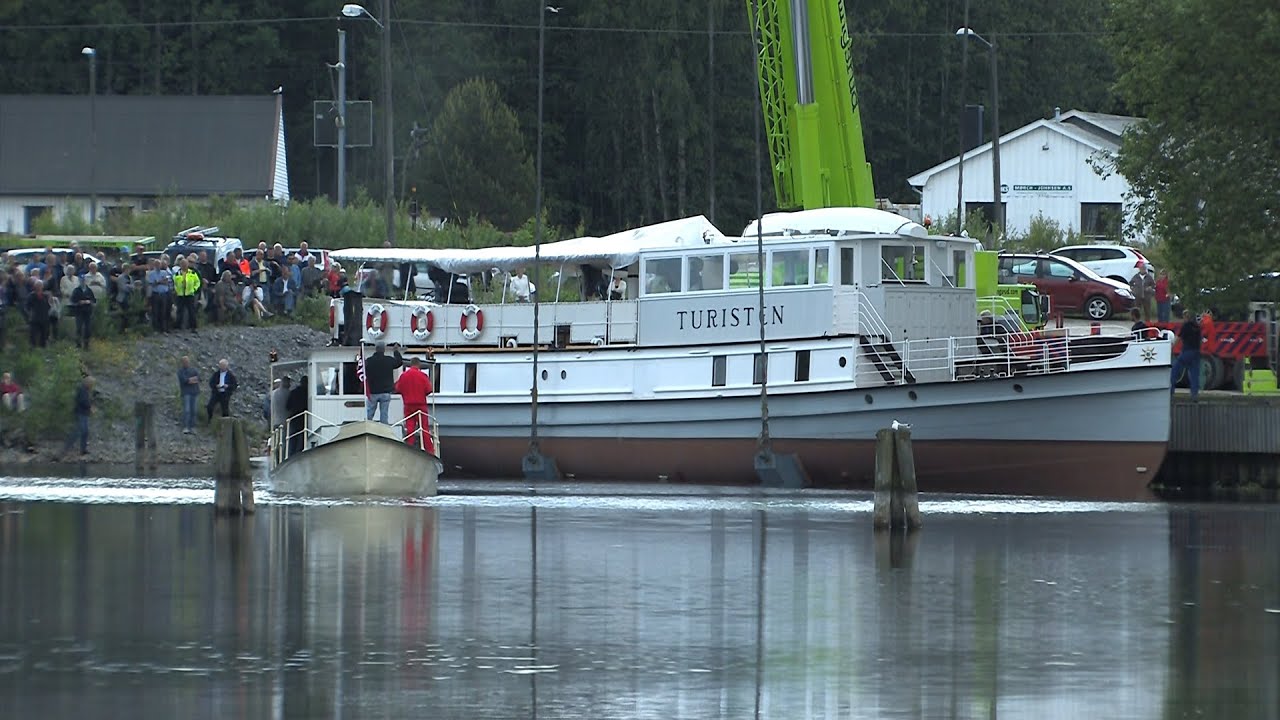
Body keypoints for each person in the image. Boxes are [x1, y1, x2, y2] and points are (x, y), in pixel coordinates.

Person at [394, 356, 434, 451]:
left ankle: (410, 448)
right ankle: (429, 449)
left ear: (410, 364)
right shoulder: (423, 376)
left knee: (410, 427)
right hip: (421, 405)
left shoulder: (404, 376)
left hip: (408, 405)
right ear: (418, 364)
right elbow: (429, 390)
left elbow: (398, 389)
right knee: (424, 428)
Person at [363, 342, 403, 424]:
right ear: (384, 350)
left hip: (372, 391)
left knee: (369, 414)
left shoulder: (369, 361)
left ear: (376, 349)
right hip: (385, 391)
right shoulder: (389, 360)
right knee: (384, 414)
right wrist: (395, 351)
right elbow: (399, 362)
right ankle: (384, 430)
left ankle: (367, 428)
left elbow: (363, 370)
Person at [1170, 310, 1202, 400]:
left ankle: (1170, 392)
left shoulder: (1186, 326)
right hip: (1196, 352)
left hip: (1187, 352)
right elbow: (1200, 340)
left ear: (1186, 317)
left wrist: (1170, 348)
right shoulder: (1197, 327)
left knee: (1174, 371)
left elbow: (1178, 338)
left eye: (1184, 317)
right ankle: (1194, 395)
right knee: (1194, 375)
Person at [64, 375, 94, 456]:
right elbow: (83, 401)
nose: (92, 385)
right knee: (79, 431)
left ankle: (82, 450)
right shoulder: (82, 390)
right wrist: (90, 407)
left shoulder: (85, 390)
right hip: (81, 413)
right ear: (87, 383)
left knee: (84, 432)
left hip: (84, 413)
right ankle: (67, 448)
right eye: (91, 383)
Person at [173, 257, 202, 332]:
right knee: (180, 311)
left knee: (191, 311)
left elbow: (197, 282)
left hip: (189, 294)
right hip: (180, 295)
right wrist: (176, 290)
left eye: (185, 264)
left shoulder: (192, 273)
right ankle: (178, 326)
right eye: (182, 264)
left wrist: (194, 289)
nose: (184, 265)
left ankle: (193, 327)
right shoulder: (177, 273)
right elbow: (174, 283)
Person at [68, 274, 96, 349]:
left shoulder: (89, 290)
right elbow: (72, 301)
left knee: (88, 329)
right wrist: (79, 302)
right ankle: (78, 344)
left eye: (84, 280)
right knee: (79, 328)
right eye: (81, 280)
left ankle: (86, 344)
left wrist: (89, 302)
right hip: (79, 311)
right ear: (79, 281)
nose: (82, 282)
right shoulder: (76, 291)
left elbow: (94, 300)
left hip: (87, 312)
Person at [177, 356, 201, 434]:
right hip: (186, 393)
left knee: (194, 410)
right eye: (185, 362)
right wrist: (191, 380)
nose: (186, 363)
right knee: (187, 410)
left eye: (187, 361)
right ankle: (186, 427)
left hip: (195, 392)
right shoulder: (180, 371)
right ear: (182, 363)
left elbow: (198, 378)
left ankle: (193, 427)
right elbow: (185, 380)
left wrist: (191, 380)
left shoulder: (194, 370)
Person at [286, 376, 308, 455]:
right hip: (303, 418)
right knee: (302, 437)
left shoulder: (293, 392)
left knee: (293, 438)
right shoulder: (307, 393)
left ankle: (291, 455)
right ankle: (299, 454)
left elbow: (288, 406)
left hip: (294, 417)